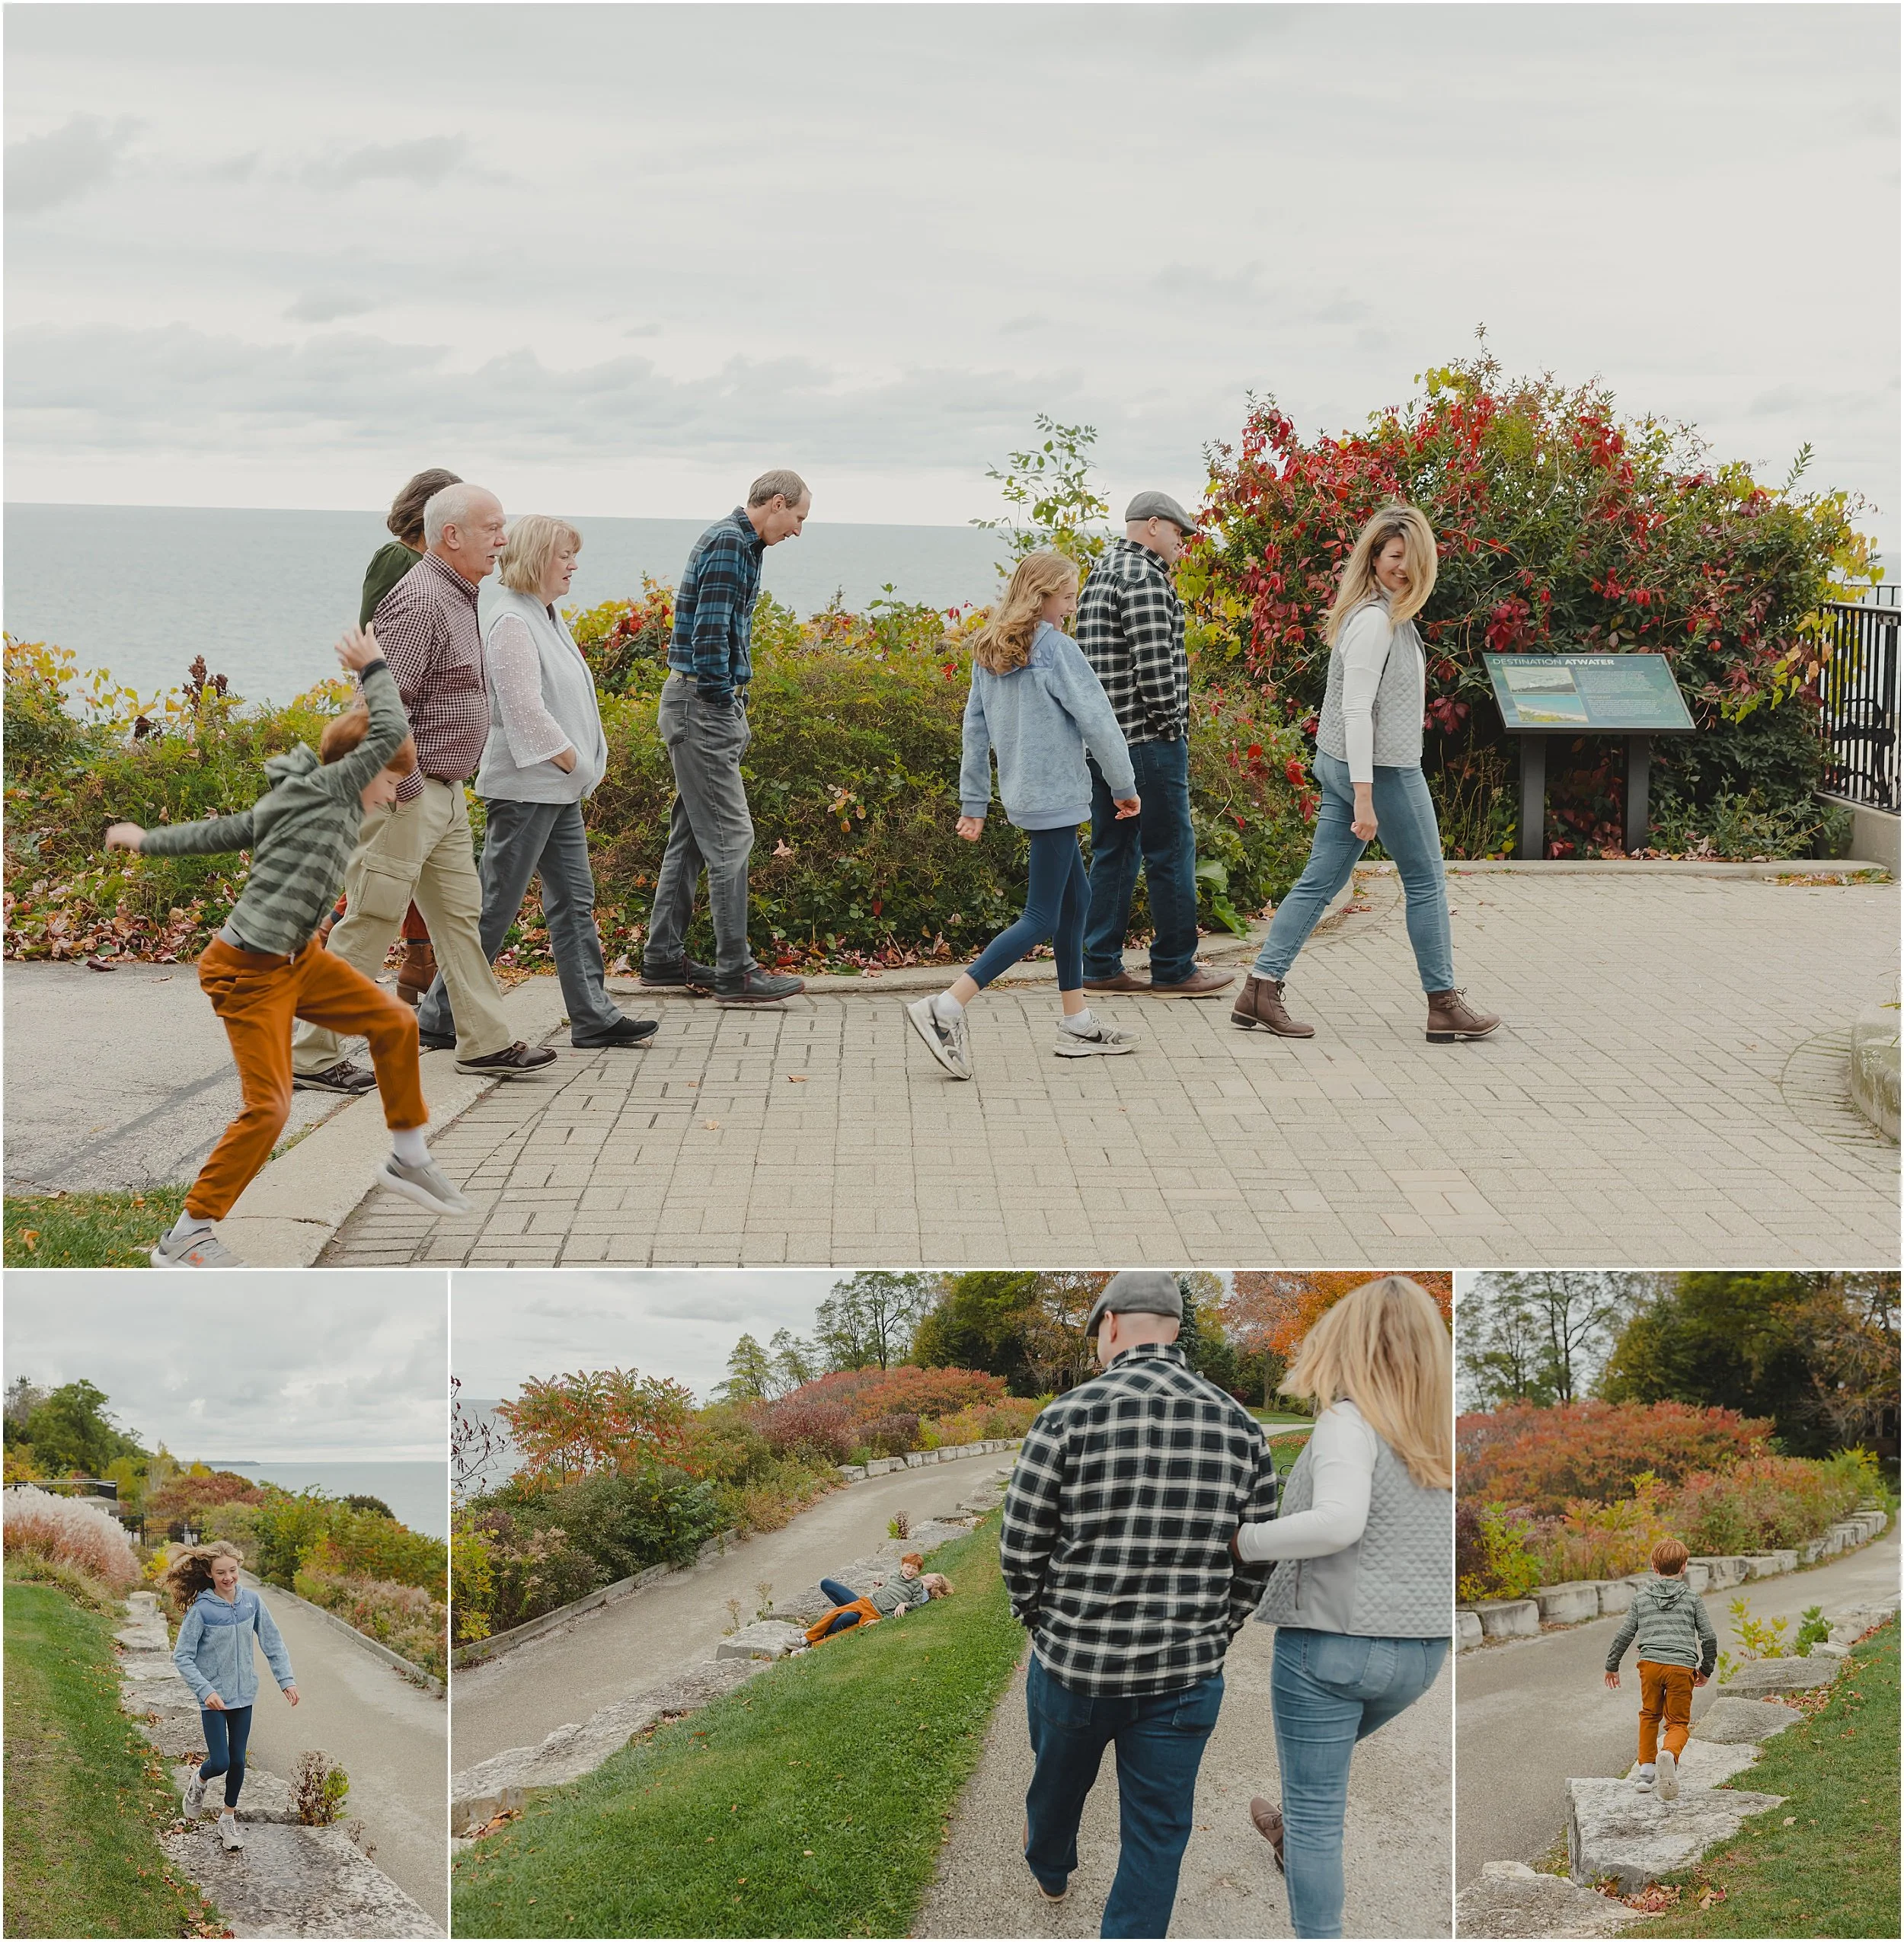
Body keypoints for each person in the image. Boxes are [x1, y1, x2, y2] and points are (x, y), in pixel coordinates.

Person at [108, 624, 474, 1269]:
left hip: (296, 961)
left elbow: (222, 832)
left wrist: (145, 839)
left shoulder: (305, 801)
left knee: (394, 1021)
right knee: (270, 1107)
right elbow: (386, 733)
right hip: (247, 972)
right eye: (393, 780)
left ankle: (408, 1156)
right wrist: (375, 667)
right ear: (364, 771)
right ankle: (186, 1233)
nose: (396, 791)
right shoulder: (332, 791)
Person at [1001, 1269, 1279, 1937]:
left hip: (1076, 1667)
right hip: (1183, 1676)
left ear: (1113, 1324)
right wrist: (1217, 1632)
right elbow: (1257, 1554)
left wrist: (1045, 1622)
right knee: (1158, 1831)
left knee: (1057, 1789)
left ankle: (1051, 1869)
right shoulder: (1241, 1427)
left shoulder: (1068, 1415)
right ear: (1176, 1330)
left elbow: (1020, 1548)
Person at [291, 483, 557, 1093]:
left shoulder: (459, 594)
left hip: (445, 792)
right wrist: (409, 785)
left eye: (503, 526)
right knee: (371, 918)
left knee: (461, 918)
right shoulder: (420, 600)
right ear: (451, 535)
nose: (504, 537)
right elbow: (376, 702)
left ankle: (486, 1043)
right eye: (491, 527)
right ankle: (310, 1055)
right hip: (408, 791)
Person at [1230, 503, 1500, 1044]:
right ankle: (1443, 1004)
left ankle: (1259, 989)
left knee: (1320, 881)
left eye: (1411, 557)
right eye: (1394, 555)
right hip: (1380, 772)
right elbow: (1357, 710)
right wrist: (1364, 796)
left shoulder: (1383, 614)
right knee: (1425, 881)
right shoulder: (1375, 621)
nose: (1403, 566)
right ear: (1375, 557)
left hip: (1354, 766)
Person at [1235, 1274, 1454, 1940]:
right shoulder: (1442, 1440)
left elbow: (1337, 1524)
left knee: (1317, 1813)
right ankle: (1283, 1828)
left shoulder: (1347, 1422)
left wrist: (1247, 1539)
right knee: (1312, 1787)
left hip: (1332, 1647)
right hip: (1422, 1655)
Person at [414, 515, 656, 1052]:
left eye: (574, 555)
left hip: (556, 789)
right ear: (535, 559)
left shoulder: (545, 615)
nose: (574, 564)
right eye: (564, 555)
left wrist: (577, 769)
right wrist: (577, 762)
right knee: (496, 905)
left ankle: (592, 1015)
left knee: (573, 900)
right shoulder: (513, 622)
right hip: (526, 791)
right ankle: (439, 1013)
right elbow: (524, 710)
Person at [906, 551, 1142, 1081]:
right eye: (1067, 597)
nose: (1073, 606)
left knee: (1076, 899)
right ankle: (946, 1007)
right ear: (1042, 597)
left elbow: (974, 732)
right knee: (1040, 917)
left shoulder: (989, 651)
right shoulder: (1057, 650)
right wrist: (1124, 787)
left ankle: (1076, 1021)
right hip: (1056, 795)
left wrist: (974, 803)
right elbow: (1100, 722)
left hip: (1024, 796)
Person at [641, 471, 811, 1006]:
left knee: (692, 835)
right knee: (732, 839)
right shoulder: (730, 545)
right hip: (702, 704)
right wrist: (724, 700)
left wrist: (731, 700)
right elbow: (710, 633)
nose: (799, 530)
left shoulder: (742, 545)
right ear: (778, 503)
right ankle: (736, 972)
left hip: (702, 703)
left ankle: (663, 958)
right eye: (800, 517)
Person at [1077, 492, 1235, 1001]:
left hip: (1105, 741)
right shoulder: (1143, 576)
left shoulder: (1100, 571)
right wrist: (1174, 727)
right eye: (1177, 533)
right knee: (1170, 852)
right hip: (1147, 739)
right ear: (1151, 526)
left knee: (1113, 851)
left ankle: (1098, 963)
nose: (1181, 543)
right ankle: (1174, 967)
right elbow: (1154, 668)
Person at [357, 465, 463, 1005]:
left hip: (423, 734)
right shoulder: (400, 559)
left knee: (417, 866)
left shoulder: (432, 569)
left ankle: (420, 966)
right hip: (401, 728)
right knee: (386, 870)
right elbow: (377, 637)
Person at [165, 1541, 299, 1853]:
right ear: (209, 1574)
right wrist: (205, 1690)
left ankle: (228, 1818)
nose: (228, 1577)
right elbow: (182, 1656)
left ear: (239, 1568)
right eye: (221, 1572)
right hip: (214, 1698)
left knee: (238, 1761)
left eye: (233, 1571)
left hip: (243, 1696)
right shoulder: (202, 1610)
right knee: (221, 1761)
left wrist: (286, 1681)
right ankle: (199, 1779)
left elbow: (273, 1643)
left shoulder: (252, 1602)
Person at [1602, 1538, 1716, 1802]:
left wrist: (1612, 1665)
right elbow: (1709, 1637)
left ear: (1654, 1566)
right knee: (1677, 1722)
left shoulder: (1642, 1599)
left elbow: (1625, 1634)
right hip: (1681, 1667)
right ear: (1684, 1566)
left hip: (1650, 1665)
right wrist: (1705, 1669)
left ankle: (1646, 1771)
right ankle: (1669, 1755)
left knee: (1649, 1714)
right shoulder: (1692, 1599)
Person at [807, 1555, 953, 1640]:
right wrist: (883, 1586)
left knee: (848, 1618)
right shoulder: (905, 1578)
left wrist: (881, 1620)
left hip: (875, 1611)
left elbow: (905, 1609)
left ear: (933, 1581)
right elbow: (894, 1590)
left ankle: (816, 1636)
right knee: (827, 1584)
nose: (925, 1574)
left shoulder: (921, 1594)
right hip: (868, 1601)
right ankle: (815, 1633)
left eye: (929, 1575)